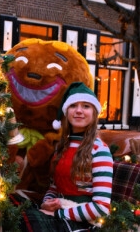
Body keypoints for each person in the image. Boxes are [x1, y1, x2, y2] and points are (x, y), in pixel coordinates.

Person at [21, 82, 113, 232]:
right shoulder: (62, 147)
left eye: (86, 106)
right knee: (13, 210)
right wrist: (47, 203)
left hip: (86, 220)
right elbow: (54, 187)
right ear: (66, 111)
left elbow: (101, 207)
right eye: (73, 105)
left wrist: (57, 213)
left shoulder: (100, 150)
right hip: (60, 210)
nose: (78, 111)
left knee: (28, 221)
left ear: (94, 112)